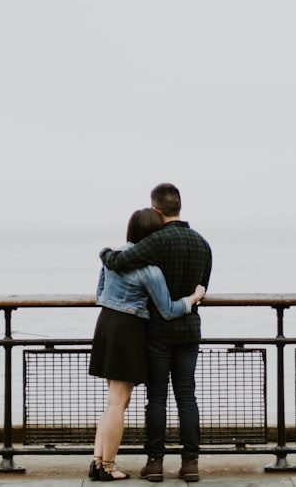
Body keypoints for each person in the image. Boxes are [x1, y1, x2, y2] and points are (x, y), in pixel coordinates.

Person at [99, 183, 212, 483]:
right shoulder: (203, 244)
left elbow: (120, 261)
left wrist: (105, 254)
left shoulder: (155, 241)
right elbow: (203, 287)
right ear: (179, 206)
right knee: (187, 397)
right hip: (189, 330)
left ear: (156, 209)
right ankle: (190, 464)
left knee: (157, 398)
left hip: (159, 332)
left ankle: (155, 463)